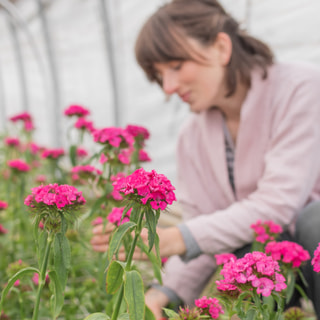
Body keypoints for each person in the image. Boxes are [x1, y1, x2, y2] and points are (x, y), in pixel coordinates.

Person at [91, 0, 320, 318]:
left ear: (221, 47)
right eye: (159, 76)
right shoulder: (192, 137)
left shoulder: (300, 87)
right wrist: (164, 292)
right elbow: (208, 228)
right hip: (276, 265)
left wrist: (172, 239)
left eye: (175, 66)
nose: (168, 87)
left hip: (313, 247)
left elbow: (278, 203)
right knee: (246, 244)